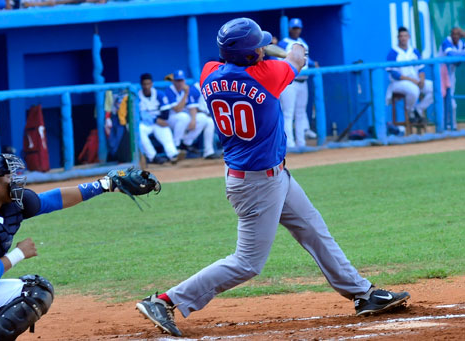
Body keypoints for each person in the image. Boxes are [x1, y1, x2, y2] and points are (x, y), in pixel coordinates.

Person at [136, 18, 410, 337]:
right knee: (247, 263)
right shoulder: (269, 74)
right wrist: (284, 47)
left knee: (313, 229)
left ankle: (363, 293)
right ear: (252, 55)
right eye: (258, 48)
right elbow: (297, 56)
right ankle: (166, 300)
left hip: (266, 174)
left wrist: (258, 48)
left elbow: (244, 62)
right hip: (256, 184)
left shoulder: (209, 71)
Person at [0, 153, 157, 340]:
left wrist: (105, 185)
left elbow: (53, 199)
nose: (13, 180)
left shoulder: (7, 207)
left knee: (28, 288)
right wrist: (18, 254)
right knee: (34, 290)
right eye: (7, 176)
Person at [277, 18, 318, 148]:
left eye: (298, 28)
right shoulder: (284, 43)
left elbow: (307, 59)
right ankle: (290, 143)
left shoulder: (302, 42)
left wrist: (313, 63)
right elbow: (276, 59)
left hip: (303, 81)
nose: (296, 30)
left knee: (301, 112)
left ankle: (301, 142)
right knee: (288, 113)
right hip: (290, 82)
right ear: (289, 29)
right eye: (294, 28)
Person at [164, 70, 218, 159]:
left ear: (184, 80)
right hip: (172, 119)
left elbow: (192, 107)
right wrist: (186, 94)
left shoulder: (187, 89)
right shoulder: (170, 90)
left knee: (204, 119)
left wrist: (193, 120)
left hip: (184, 120)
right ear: (173, 81)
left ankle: (187, 143)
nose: (180, 83)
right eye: (177, 80)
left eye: (181, 80)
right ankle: (177, 145)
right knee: (183, 117)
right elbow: (177, 109)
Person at [386, 26, 433, 123]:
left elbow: (421, 68)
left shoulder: (414, 51)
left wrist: (422, 80)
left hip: (415, 80)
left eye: (405, 36)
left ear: (409, 37)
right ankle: (410, 112)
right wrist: (414, 81)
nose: (403, 38)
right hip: (399, 83)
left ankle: (418, 109)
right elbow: (395, 74)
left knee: (435, 87)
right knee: (414, 89)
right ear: (398, 38)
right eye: (401, 36)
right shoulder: (393, 52)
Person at [138, 73, 182, 165]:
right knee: (139, 131)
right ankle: (153, 157)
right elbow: (140, 115)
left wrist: (157, 120)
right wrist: (155, 120)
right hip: (145, 124)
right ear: (141, 84)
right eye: (144, 84)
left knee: (165, 130)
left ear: (152, 84)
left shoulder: (159, 94)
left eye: (148, 84)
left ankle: (173, 155)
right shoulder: (137, 96)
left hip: (159, 122)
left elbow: (166, 114)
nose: (146, 86)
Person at [440, 27, 465, 129]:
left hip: (451, 74)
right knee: (442, 99)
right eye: (453, 34)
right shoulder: (446, 41)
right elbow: (451, 54)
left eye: (458, 34)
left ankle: (452, 125)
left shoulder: (461, 43)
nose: (455, 36)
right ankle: (442, 126)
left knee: (450, 100)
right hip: (441, 73)